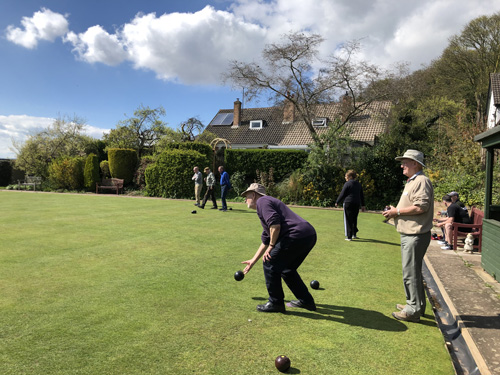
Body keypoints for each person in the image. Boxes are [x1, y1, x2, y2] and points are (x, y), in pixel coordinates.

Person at [241, 183, 317, 313]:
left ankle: (275, 303)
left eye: (246, 196)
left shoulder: (263, 201)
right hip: (308, 235)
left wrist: (271, 247)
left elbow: (275, 226)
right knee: (287, 270)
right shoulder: (266, 206)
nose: (245, 200)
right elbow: (267, 238)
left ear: (253, 195)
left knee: (270, 262)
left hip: (295, 235)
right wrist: (253, 261)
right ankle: (306, 301)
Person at [382, 149, 434, 323]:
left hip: (415, 234)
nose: (402, 165)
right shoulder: (413, 181)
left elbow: (421, 207)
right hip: (410, 233)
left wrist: (397, 211)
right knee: (412, 272)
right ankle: (416, 306)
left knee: (410, 273)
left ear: (416, 164)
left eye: (405, 161)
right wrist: (395, 211)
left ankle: (412, 310)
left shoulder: (421, 181)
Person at [335, 170, 366, 241]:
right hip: (356, 203)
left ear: (350, 177)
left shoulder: (347, 184)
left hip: (348, 203)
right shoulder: (358, 184)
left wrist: (337, 201)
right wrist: (363, 205)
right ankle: (354, 234)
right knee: (354, 218)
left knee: (348, 219)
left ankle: (349, 237)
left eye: (346, 176)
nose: (345, 177)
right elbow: (361, 195)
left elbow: (343, 194)